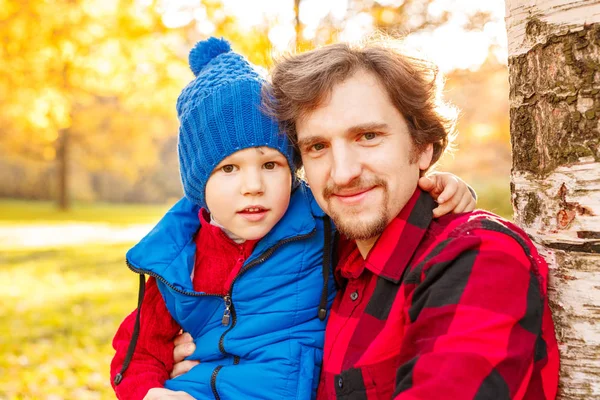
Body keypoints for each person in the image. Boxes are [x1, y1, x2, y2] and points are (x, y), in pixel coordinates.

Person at [172, 39, 560, 399]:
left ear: (424, 147)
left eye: (368, 136)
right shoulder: (323, 253)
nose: (342, 173)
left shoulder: (478, 259)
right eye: (318, 146)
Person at [110, 37, 476, 400]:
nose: (253, 186)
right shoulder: (176, 263)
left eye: (271, 164)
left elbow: (380, 211)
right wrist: (150, 393)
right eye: (228, 169)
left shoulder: (322, 224)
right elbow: (136, 354)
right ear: (197, 185)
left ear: (292, 171)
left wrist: (437, 183)